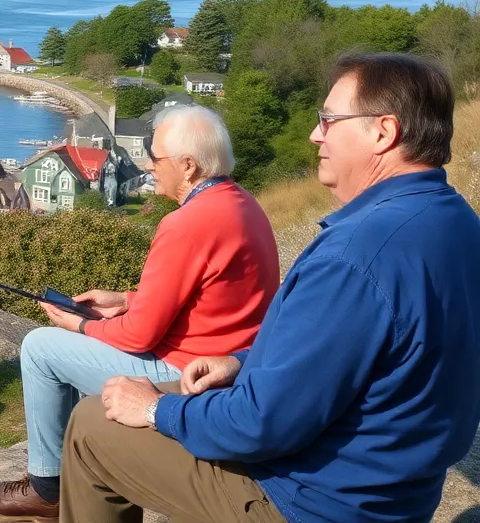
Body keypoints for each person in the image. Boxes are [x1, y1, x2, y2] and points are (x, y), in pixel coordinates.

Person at [77, 52, 480, 523]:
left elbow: (262, 426)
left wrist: (155, 410)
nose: (315, 135)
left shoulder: (356, 254)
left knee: (91, 425)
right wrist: (242, 362)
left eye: (328, 120)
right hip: (397, 490)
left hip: (314, 500)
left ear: (383, 132)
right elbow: (368, 354)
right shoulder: (456, 223)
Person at [0, 105, 280, 520]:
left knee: (41, 347)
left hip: (183, 373)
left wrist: (80, 324)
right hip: (229, 365)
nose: (149, 165)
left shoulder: (186, 224)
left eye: (156, 156)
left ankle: (47, 488)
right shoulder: (241, 204)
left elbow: (139, 338)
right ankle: (90, 470)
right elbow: (211, 292)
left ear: (188, 166)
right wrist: (126, 300)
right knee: (82, 344)